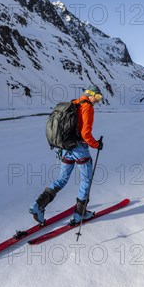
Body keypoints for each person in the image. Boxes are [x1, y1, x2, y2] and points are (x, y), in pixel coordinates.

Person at [29, 85, 104, 226]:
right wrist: (96, 145)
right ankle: (80, 214)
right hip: (79, 148)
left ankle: (38, 206)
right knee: (86, 180)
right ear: (91, 94)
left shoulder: (74, 103)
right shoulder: (87, 107)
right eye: (98, 97)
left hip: (65, 148)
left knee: (62, 179)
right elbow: (85, 134)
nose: (98, 101)